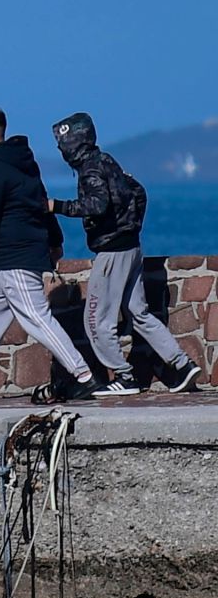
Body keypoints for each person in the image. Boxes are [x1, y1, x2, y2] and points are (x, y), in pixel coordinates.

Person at [0, 108, 104, 403]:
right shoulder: (26, 165)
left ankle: (84, 376)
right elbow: (41, 204)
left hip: (16, 260)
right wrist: (56, 240)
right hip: (9, 262)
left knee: (37, 320)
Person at [48, 112, 201, 396]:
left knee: (96, 321)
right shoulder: (107, 161)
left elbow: (96, 205)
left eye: (62, 143)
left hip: (112, 252)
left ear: (74, 142)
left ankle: (125, 376)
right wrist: (132, 226)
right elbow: (139, 192)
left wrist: (56, 206)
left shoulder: (90, 169)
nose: (60, 150)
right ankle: (182, 364)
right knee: (139, 313)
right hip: (132, 248)